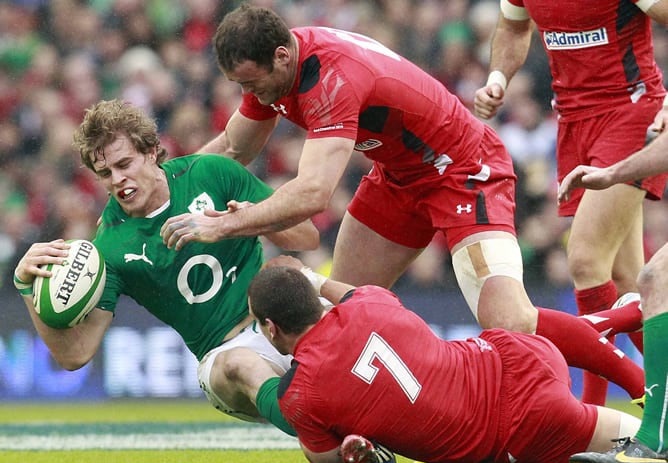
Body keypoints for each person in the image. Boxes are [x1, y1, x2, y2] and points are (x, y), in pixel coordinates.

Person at [159, 4, 646, 403]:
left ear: (282, 57)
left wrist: (226, 224)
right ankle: (386, 426)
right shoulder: (278, 64)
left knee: (509, 321)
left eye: (250, 83)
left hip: (462, 171)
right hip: (399, 177)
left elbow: (313, 193)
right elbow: (232, 149)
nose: (249, 96)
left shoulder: (329, 78)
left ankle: (642, 378)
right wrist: (164, 190)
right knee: (342, 317)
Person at [12, 99, 319, 436]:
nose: (118, 180)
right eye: (105, 173)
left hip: (283, 323)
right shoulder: (110, 249)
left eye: (124, 163)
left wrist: (240, 220)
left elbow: (306, 236)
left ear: (152, 151)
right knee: (241, 365)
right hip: (224, 353)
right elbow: (75, 354)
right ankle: (321, 430)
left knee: (308, 280)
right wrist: (27, 287)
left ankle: (344, 436)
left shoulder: (211, 173)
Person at [245, 255, 642, 463]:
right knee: (654, 445)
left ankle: (624, 331)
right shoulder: (369, 301)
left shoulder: (298, 394)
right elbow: (345, 293)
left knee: (648, 450)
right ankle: (621, 317)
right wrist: (309, 276)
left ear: (270, 326)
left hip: (521, 426)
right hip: (513, 354)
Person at [473, 0, 668, 405]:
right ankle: (660, 396)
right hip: (573, 122)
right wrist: (497, 79)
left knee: (584, 260)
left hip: (630, 113)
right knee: (627, 277)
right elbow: (512, 28)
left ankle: (593, 415)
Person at [559, 133, 668, 463]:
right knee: (645, 282)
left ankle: (649, 439)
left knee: (636, 275)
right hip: (581, 117)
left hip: (617, 110)